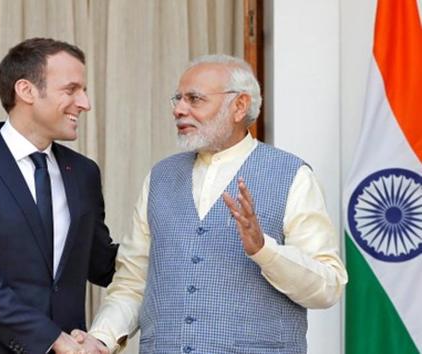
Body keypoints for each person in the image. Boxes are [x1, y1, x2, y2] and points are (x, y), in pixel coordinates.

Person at [77, 54, 348, 353]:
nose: (179, 110)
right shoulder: (160, 177)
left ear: (239, 106)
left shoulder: (293, 175)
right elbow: (132, 281)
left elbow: (329, 287)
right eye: (178, 99)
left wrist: (265, 250)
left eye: (194, 99)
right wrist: (102, 337)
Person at [0, 38, 118, 354]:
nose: (84, 103)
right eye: (71, 90)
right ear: (26, 91)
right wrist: (52, 339)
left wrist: (170, 244)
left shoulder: (84, 173)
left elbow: (100, 263)